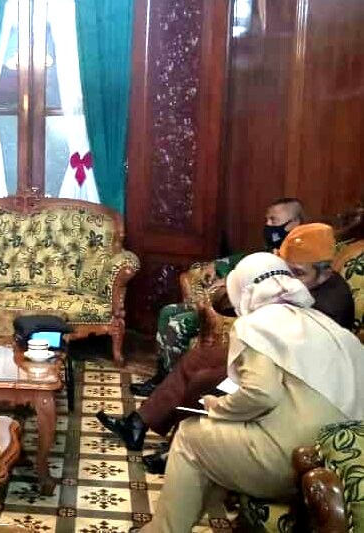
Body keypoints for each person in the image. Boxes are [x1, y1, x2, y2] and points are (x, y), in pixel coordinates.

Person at [140, 252, 364, 532]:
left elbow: (261, 393)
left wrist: (216, 407)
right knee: (219, 438)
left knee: (189, 434)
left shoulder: (257, 323)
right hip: (343, 463)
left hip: (296, 459)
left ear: (242, 289)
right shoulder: (323, 323)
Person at [98, 223, 355, 463]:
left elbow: (294, 350)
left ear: (325, 272)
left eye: (298, 273)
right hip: (262, 352)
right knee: (198, 357)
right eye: (287, 271)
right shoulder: (294, 283)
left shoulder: (334, 301)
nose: (289, 280)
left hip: (287, 374)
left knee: (204, 381)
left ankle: (178, 450)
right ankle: (137, 424)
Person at [130, 197, 305, 398]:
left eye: (274, 220)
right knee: (168, 312)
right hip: (234, 305)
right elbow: (246, 259)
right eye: (267, 220)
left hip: (252, 315)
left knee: (179, 323)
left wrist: (232, 281)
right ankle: (163, 379)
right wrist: (218, 265)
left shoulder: (299, 257)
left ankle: (175, 389)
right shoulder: (273, 248)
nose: (268, 225)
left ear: (294, 223)